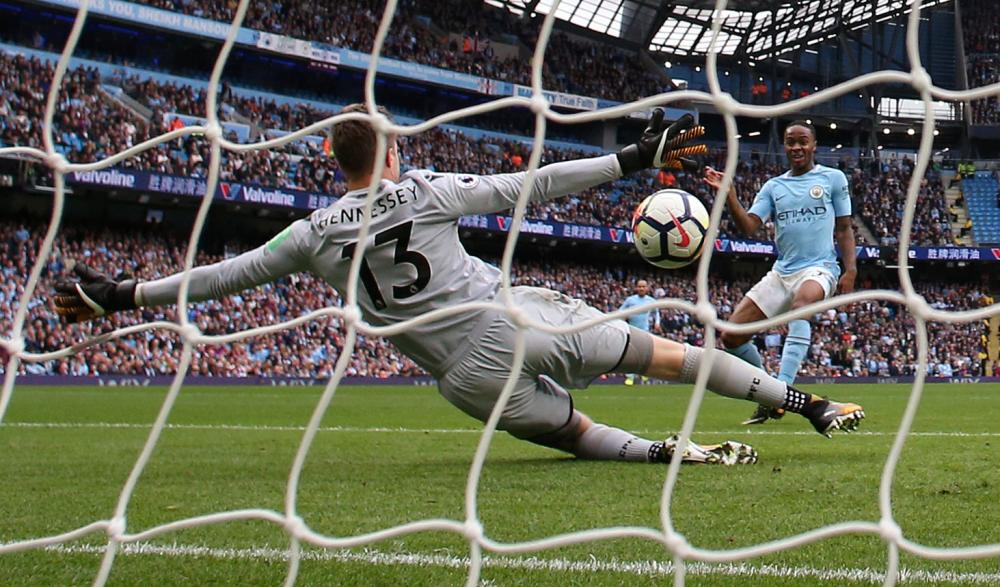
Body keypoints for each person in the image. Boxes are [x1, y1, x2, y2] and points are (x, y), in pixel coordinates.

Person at [54, 106, 865, 469]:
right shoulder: (428, 189)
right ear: (392, 154)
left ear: (339, 166)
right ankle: (810, 404)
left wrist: (124, 295)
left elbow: (223, 275)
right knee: (671, 355)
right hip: (514, 318)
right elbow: (531, 188)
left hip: (463, 377)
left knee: (575, 433)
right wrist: (629, 161)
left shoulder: (309, 233)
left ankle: (664, 453)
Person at [703, 120, 857, 425]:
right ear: (784, 146)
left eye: (803, 141)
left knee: (802, 306)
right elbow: (748, 227)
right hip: (781, 271)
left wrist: (850, 269)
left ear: (814, 145)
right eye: (790, 142)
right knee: (730, 336)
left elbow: (844, 228)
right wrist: (728, 194)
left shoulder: (833, 179)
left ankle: (782, 393)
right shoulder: (774, 187)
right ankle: (770, 392)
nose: (797, 147)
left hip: (819, 267)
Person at [618, 279, 660, 386]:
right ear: (636, 288)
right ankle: (630, 377)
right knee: (631, 355)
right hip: (632, 331)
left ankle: (644, 373)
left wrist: (657, 323)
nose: (641, 288)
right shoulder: (630, 300)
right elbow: (620, 311)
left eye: (643, 286)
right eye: (639, 286)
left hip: (645, 331)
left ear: (647, 288)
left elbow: (657, 312)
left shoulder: (651, 301)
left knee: (645, 354)